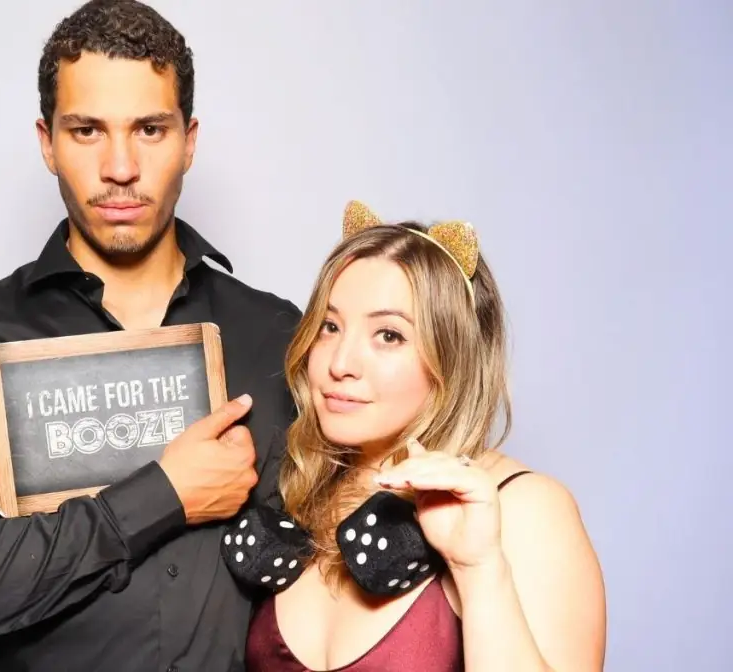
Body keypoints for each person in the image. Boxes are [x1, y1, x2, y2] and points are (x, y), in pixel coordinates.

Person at [0, 2, 301, 670]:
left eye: (150, 130)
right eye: (87, 131)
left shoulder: (280, 335)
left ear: (189, 139)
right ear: (47, 142)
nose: (121, 167)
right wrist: (160, 497)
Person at [222, 201, 607, 671]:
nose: (340, 364)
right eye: (330, 326)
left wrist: (478, 570)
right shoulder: (304, 496)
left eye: (388, 335)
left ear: (451, 358)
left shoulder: (524, 508)